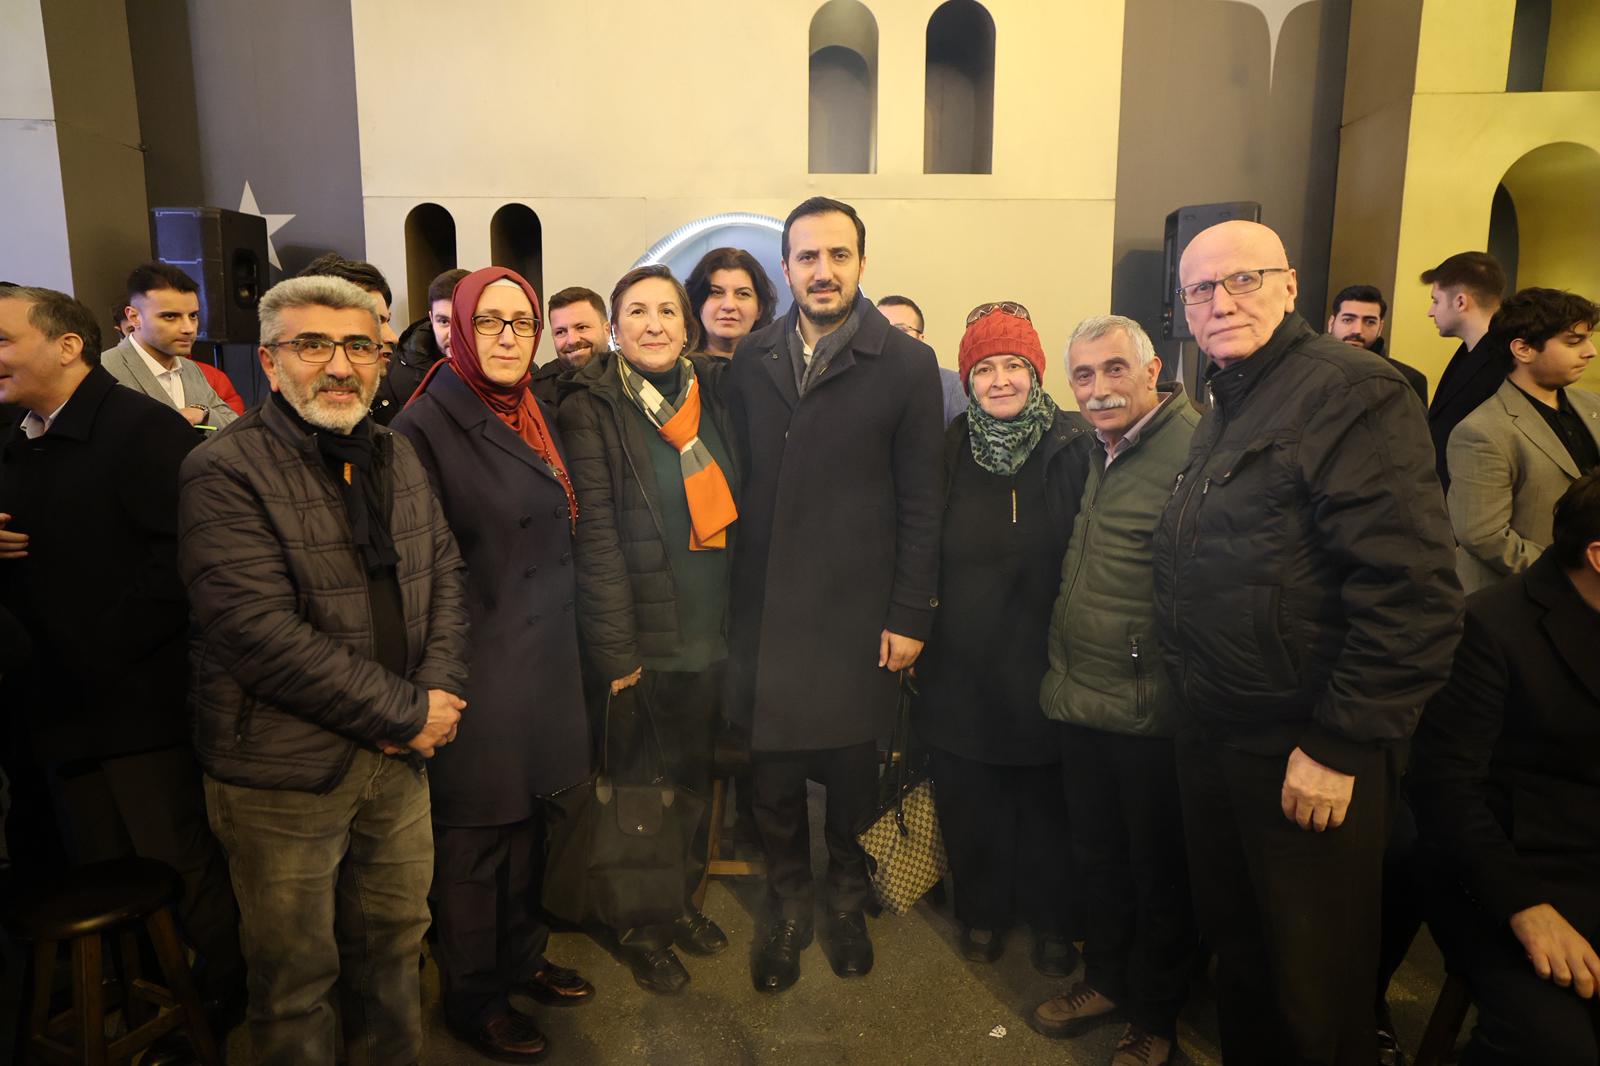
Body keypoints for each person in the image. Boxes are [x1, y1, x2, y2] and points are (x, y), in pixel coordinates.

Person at [1152, 220, 1463, 1065]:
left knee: (1312, 995)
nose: (1221, 302)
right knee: (1247, 968)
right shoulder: (1230, 400)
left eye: (1242, 280)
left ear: (1291, 285)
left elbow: (1413, 593)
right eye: (1200, 289)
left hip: (1304, 747)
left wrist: (1339, 745)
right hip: (1223, 734)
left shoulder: (1349, 390)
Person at [178, 275, 469, 1066]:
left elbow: (444, 574)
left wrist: (439, 692)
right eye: (313, 345)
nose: (340, 366)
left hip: (398, 763)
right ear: (270, 362)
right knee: (295, 979)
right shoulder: (224, 469)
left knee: (395, 951)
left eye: (359, 347)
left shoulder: (396, 452)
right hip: (283, 770)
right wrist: (407, 714)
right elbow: (257, 634)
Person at [0, 284, 243, 1018]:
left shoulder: (142, 430)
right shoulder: (19, 431)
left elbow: (182, 565)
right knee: (100, 866)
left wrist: (93, 652)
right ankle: (147, 997)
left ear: (67, 346)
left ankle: (224, 1004)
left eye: (4, 340)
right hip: (54, 702)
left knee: (175, 861)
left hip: (135, 705)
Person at [724, 196, 944, 993]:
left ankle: (846, 903)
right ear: (786, 268)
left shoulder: (907, 364)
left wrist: (910, 613)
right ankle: (790, 906)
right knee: (775, 784)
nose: (824, 270)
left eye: (839, 255)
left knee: (854, 780)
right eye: (808, 256)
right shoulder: (751, 357)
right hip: (768, 612)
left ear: (861, 263)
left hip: (857, 615)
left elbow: (922, 501)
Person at [391, 267, 594, 1059]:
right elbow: (423, 572)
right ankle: (473, 996)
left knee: (528, 824)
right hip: (477, 663)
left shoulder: (527, 407)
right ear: (460, 330)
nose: (508, 338)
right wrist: (442, 677)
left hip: (540, 655)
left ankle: (521, 957)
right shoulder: (426, 424)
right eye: (490, 322)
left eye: (522, 322)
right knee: (476, 840)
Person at [559, 264, 740, 994]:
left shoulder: (710, 394)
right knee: (640, 794)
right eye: (637, 311)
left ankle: (680, 901)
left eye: (667, 310)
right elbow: (596, 538)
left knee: (692, 783)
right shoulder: (592, 406)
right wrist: (616, 652)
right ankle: (643, 926)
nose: (654, 324)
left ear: (687, 325)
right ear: (614, 328)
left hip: (708, 632)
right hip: (641, 641)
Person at [1033, 314, 1199, 1066]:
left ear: (1153, 370)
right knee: (1098, 858)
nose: (1098, 388)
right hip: (1082, 693)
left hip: (1149, 705)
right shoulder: (1098, 448)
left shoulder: (1193, 448)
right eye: (1083, 375)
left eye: (1113, 369)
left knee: (1158, 872)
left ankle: (1155, 1017)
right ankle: (1104, 981)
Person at [914, 304, 1089, 973]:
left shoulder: (1072, 445)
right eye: (984, 369)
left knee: (1049, 801)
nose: (1000, 380)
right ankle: (982, 910)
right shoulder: (947, 449)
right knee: (970, 794)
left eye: (1014, 365)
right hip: (962, 659)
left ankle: (1054, 921)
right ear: (967, 380)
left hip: (1048, 656)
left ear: (1036, 372)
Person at [1410, 471, 1600, 1065]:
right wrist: (1525, 905)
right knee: (1554, 1048)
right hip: (1507, 872)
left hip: (1590, 860)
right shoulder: (1491, 625)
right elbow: (1445, 791)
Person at [1448, 287, 1599, 593]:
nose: (1591, 351)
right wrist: (1573, 574)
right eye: (1574, 342)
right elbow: (1483, 535)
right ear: (1523, 350)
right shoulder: (1481, 431)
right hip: (1524, 597)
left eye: (1589, 339)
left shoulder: (1592, 405)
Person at [101, 261, 239, 429]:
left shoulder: (191, 369)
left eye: (193, 315)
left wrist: (202, 413)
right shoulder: (104, 370)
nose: (188, 328)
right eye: (170, 316)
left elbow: (234, 425)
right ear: (134, 317)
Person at [1423, 251, 1510, 489]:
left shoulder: (1504, 361)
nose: (1431, 311)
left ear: (1460, 302)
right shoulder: (1470, 351)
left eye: (1436, 300)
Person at [380, 267, 467, 424]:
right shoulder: (391, 372)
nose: (452, 334)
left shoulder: (501, 367)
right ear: (431, 318)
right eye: (444, 321)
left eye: (461, 321)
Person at [1326, 284, 1427, 404]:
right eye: (1348, 320)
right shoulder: (1310, 369)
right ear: (1331, 323)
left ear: (1380, 328)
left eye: (1369, 322)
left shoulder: (1406, 380)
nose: (1357, 330)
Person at [878, 294, 967, 425]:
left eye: (901, 330)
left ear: (920, 339)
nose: (889, 338)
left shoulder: (952, 386)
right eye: (880, 329)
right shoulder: (859, 384)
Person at [685, 246, 777, 358]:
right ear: (697, 303)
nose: (729, 305)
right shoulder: (675, 366)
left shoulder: (781, 365)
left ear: (760, 309)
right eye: (716, 292)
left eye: (742, 294)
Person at [533, 286, 609, 404]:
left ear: (607, 330)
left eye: (582, 327)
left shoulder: (630, 378)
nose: (572, 340)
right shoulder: (535, 391)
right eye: (561, 332)